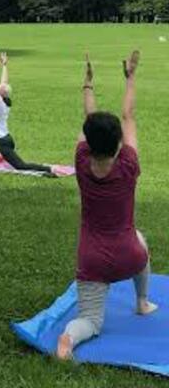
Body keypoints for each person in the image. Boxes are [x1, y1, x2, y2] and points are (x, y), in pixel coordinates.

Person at [56, 52, 158, 360]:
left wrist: (88, 86)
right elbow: (128, 117)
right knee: (141, 239)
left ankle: (68, 340)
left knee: (90, 321)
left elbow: (90, 120)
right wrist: (130, 76)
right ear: (118, 144)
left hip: (92, 261)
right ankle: (142, 302)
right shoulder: (128, 164)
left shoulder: (80, 160)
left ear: (88, 141)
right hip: (130, 255)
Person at [0, 52, 55, 175]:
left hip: (3, 142)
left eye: (0, 88)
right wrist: (5, 65)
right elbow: (3, 82)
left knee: (20, 166)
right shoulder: (3, 99)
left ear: (1, 94)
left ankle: (47, 169)